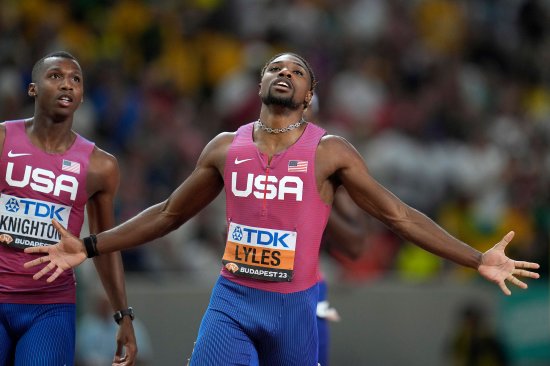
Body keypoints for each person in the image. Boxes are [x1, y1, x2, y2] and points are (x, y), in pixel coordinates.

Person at [24, 52, 540, 366]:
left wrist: (476, 259)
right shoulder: (226, 147)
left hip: (296, 311)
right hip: (231, 301)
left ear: (310, 95)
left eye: (296, 71)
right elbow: (168, 214)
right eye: (274, 68)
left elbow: (399, 216)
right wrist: (89, 246)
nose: (283, 73)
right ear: (260, 85)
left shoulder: (330, 150)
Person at [0, 51, 137, 365]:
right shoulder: (3, 139)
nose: (67, 85)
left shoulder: (100, 166)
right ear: (33, 89)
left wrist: (123, 316)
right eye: (55, 76)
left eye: (75, 79)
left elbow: (104, 244)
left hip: (50, 307)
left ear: (82, 95)